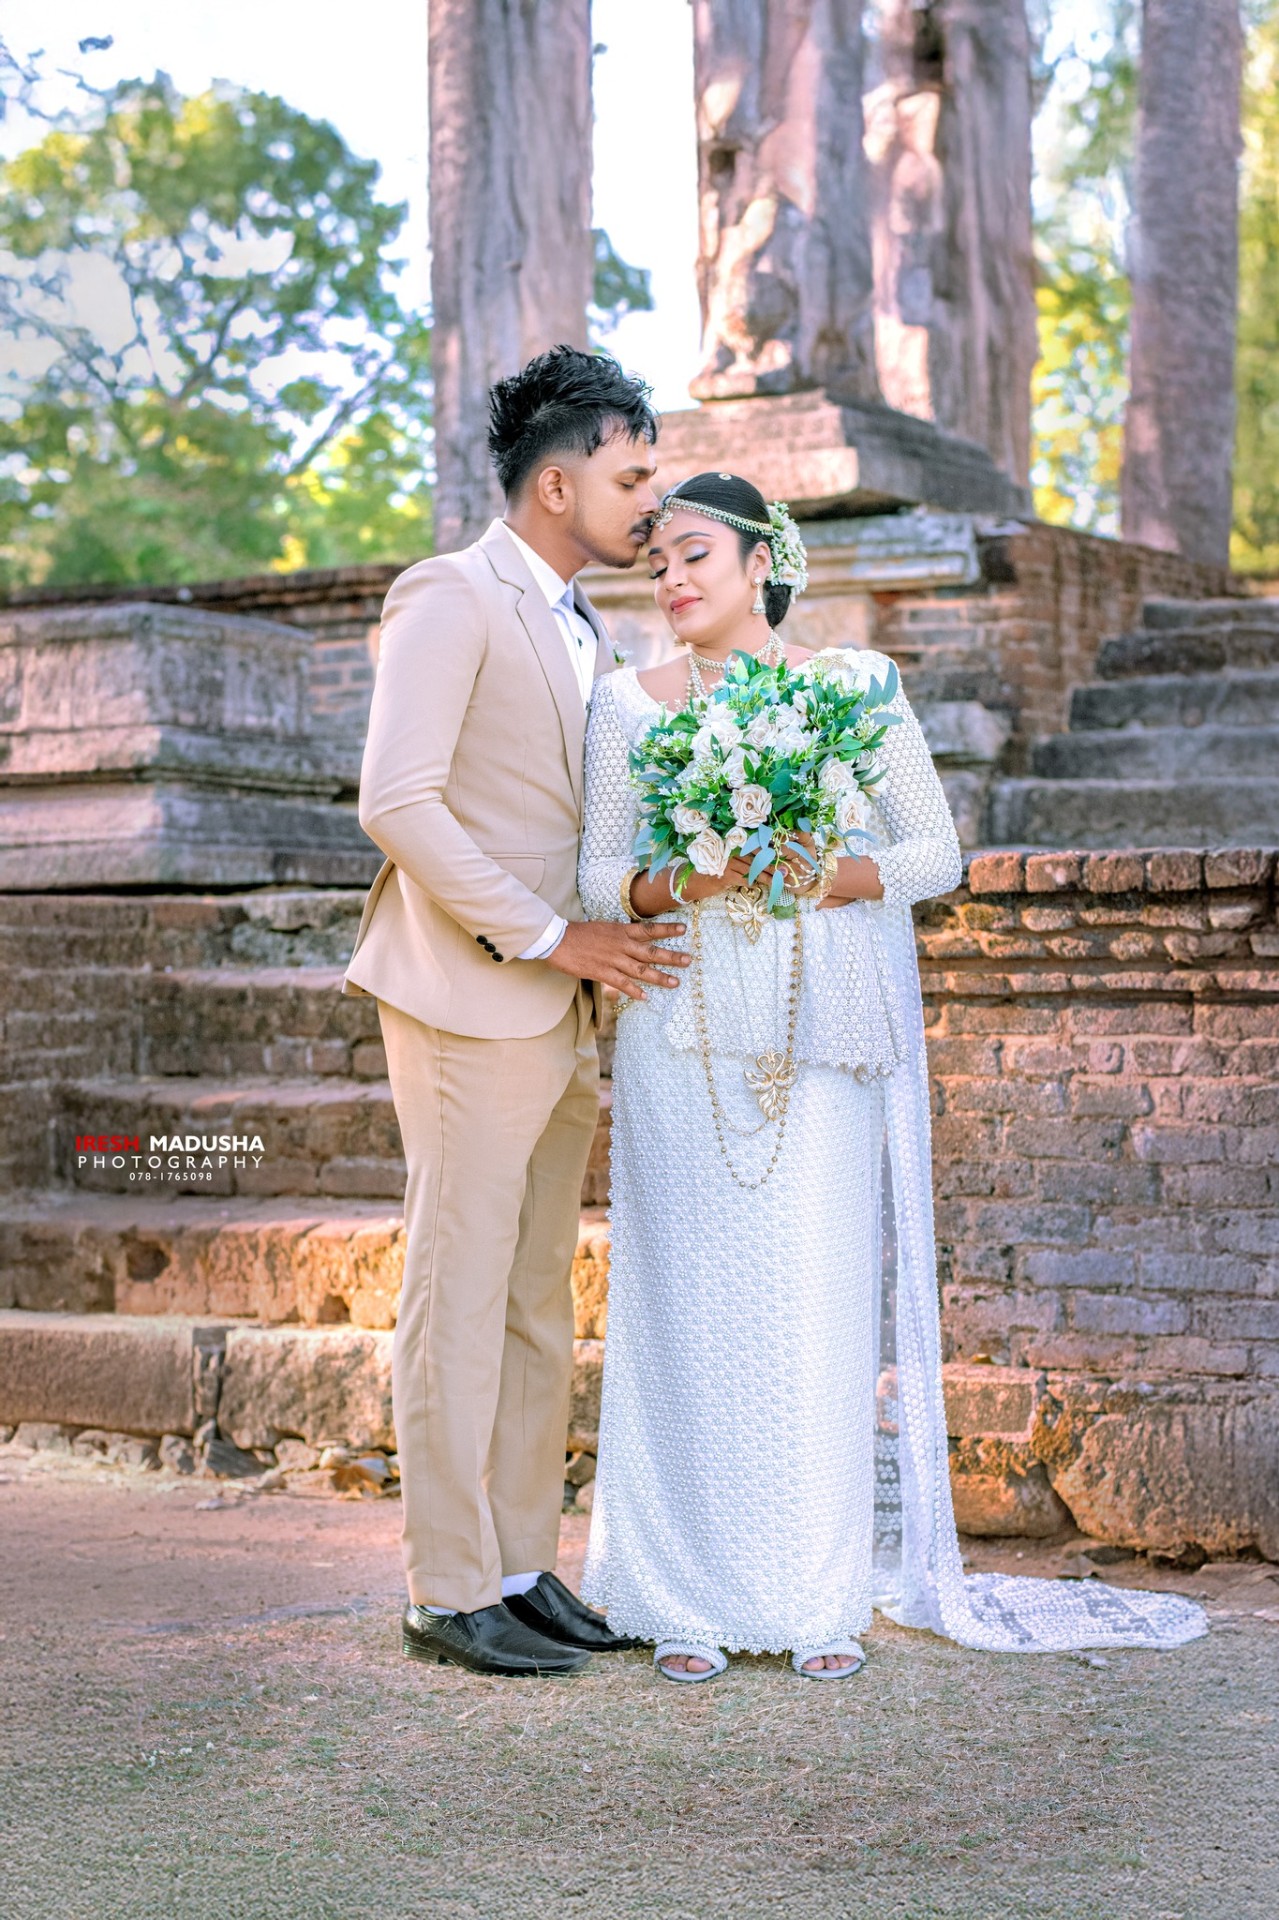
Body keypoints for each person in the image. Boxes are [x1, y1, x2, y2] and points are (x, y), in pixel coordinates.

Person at [577, 470, 1207, 1681]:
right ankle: (678, 1596)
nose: (669, 581)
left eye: (693, 555)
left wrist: (821, 873)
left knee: (812, 1314)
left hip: (824, 1036)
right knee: (684, 1314)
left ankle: (818, 1598)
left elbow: (932, 850)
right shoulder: (624, 707)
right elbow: (605, 881)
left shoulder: (854, 687)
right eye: (654, 563)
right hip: (683, 1035)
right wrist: (697, 876)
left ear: (761, 559)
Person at [345, 346, 691, 1678]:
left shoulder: (588, 625)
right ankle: (444, 1586)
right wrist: (555, 935)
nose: (647, 502)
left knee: (537, 1298)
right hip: (465, 996)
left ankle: (513, 1562)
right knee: (458, 1284)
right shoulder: (450, 595)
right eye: (629, 475)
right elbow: (399, 800)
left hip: (560, 1015)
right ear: (557, 484)